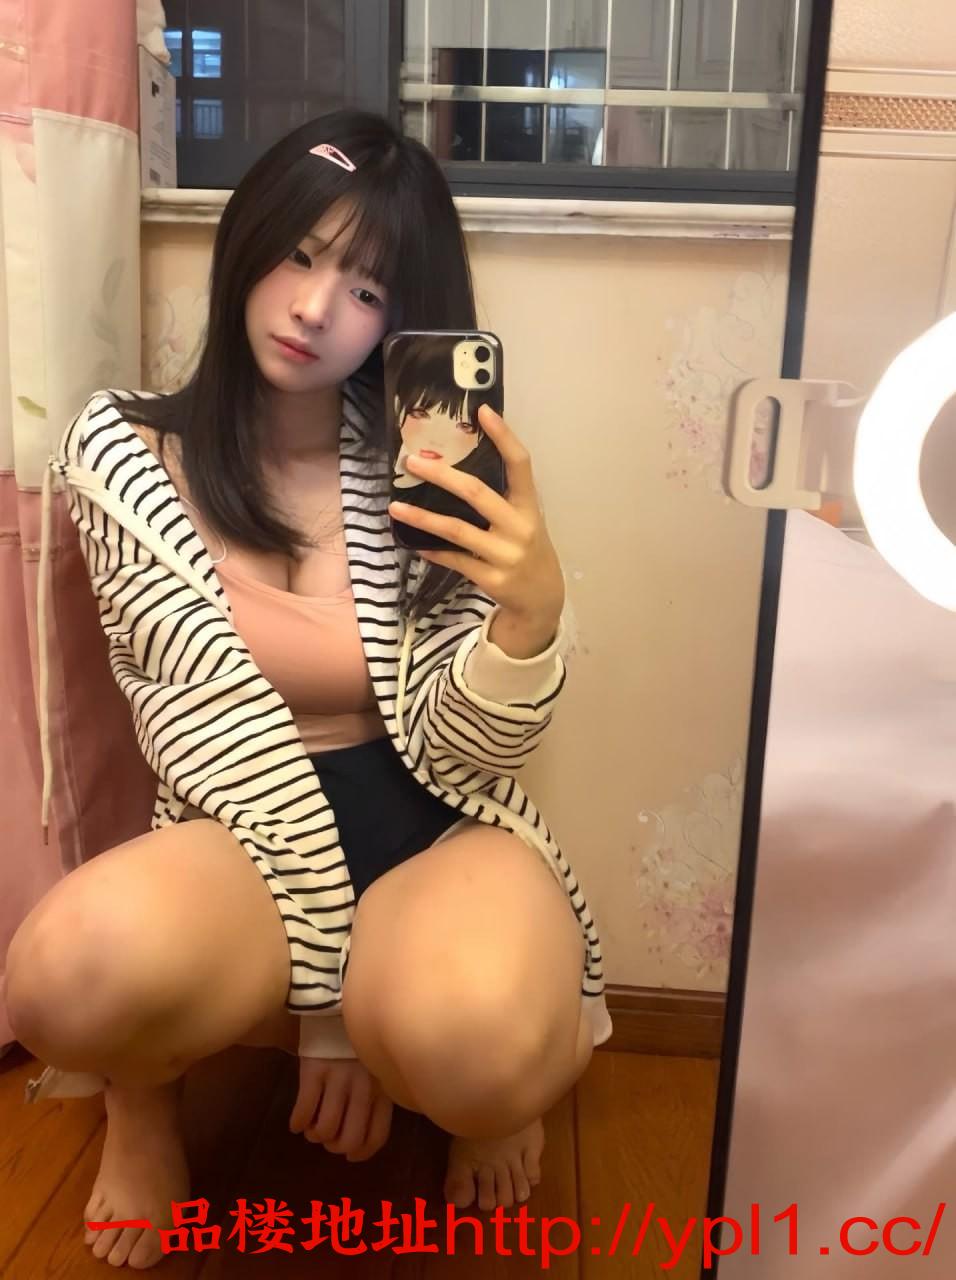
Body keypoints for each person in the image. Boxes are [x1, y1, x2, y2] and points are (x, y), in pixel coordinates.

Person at [3, 109, 611, 1271]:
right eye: (298, 254)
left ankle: (491, 1097)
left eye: (366, 288)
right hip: (239, 821)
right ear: (249, 240)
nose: (316, 307)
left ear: (406, 316)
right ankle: (140, 1105)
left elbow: (463, 749)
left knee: (484, 1048)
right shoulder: (122, 456)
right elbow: (201, 725)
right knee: (62, 978)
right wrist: (332, 1014)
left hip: (435, 819)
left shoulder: (428, 466)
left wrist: (527, 621)